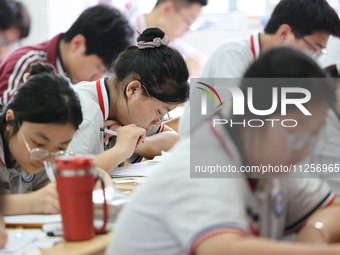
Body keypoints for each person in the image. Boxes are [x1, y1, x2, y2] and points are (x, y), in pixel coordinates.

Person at [106, 47, 340, 255]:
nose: (304, 149)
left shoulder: (273, 157)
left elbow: (334, 209)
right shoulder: (206, 161)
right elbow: (223, 248)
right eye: (296, 134)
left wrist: (313, 233)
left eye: (313, 136)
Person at [179, 0, 340, 136]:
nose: (314, 58)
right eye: (315, 49)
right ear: (284, 33)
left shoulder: (281, 68)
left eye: (320, 52)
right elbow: (236, 123)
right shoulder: (233, 54)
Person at [67, 27, 190, 173]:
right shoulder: (85, 112)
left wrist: (136, 143)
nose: (157, 122)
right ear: (133, 89)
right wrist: (121, 150)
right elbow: (69, 174)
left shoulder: (122, 109)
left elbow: (174, 142)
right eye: (159, 111)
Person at [0, 4, 134, 105]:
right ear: (77, 43)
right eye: (99, 67)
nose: (97, 78)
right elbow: (8, 124)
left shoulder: (80, 80)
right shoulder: (27, 63)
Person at [0, 62, 83, 215]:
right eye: (39, 143)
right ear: (10, 121)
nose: (47, 159)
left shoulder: (45, 155)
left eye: (61, 148)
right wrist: (31, 203)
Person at [128, 0, 208, 76]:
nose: (188, 29)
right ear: (167, 9)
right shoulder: (125, 34)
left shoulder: (167, 38)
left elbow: (200, 59)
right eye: (189, 22)